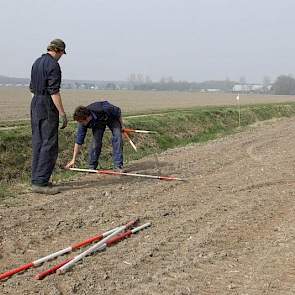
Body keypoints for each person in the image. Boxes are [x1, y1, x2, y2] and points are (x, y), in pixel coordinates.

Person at [30, 38, 68, 194]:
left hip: (35, 103)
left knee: (38, 142)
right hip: (46, 104)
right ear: (58, 50)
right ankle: (40, 182)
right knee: (49, 143)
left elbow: (32, 88)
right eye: (62, 53)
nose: (61, 57)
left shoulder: (37, 62)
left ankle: (37, 179)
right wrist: (62, 113)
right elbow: (54, 91)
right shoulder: (53, 65)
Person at [65, 101, 124, 171]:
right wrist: (73, 159)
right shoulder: (82, 122)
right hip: (98, 124)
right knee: (96, 142)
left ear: (87, 118)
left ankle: (118, 165)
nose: (80, 124)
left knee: (118, 137)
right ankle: (92, 166)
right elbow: (79, 141)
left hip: (111, 118)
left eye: (81, 122)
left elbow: (118, 111)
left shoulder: (105, 108)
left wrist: (122, 126)